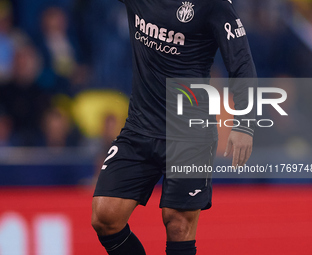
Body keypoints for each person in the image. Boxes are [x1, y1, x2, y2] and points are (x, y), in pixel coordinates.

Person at [91, 0, 257, 254]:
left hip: (190, 136)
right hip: (139, 128)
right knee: (105, 216)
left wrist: (245, 125)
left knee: (178, 225)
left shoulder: (214, 5)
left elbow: (242, 63)